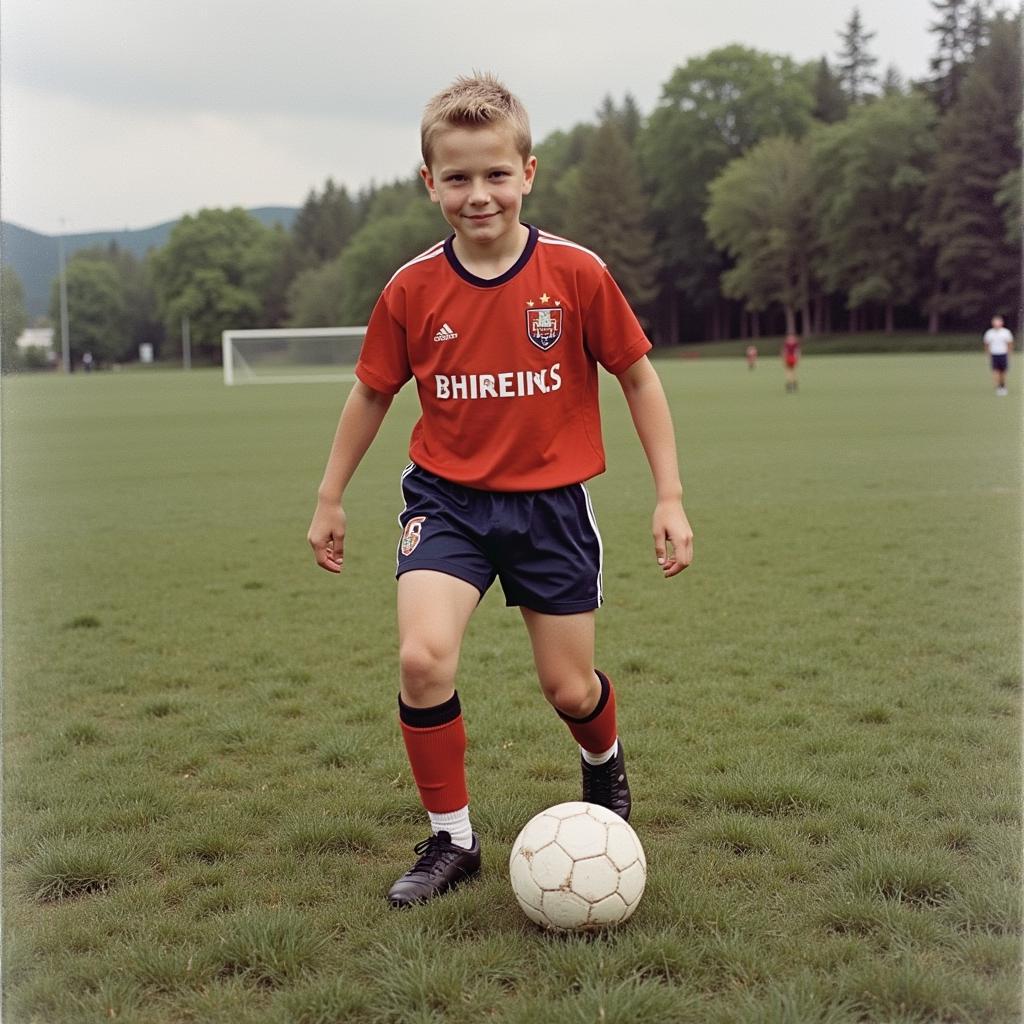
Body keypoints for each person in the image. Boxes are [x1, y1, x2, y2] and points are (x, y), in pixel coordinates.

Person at [307, 73, 693, 908]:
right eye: (457, 178)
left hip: (551, 508)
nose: (477, 195)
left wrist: (669, 495)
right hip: (446, 503)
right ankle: (453, 841)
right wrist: (330, 495)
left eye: (494, 175)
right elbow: (373, 390)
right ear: (429, 183)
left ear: (528, 173)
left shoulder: (577, 274)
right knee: (422, 658)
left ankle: (603, 762)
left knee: (569, 689)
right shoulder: (412, 288)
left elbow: (639, 376)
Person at [983, 315, 1013, 396]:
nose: (996, 324)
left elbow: (1009, 344)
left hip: (1003, 354)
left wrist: (1009, 353)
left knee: (1003, 372)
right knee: (995, 371)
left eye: (998, 322)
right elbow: (986, 344)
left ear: (1001, 323)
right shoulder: (989, 333)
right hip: (994, 354)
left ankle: (1002, 385)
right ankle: (998, 387)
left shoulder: (1006, 332)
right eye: (995, 322)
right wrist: (988, 354)